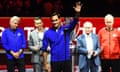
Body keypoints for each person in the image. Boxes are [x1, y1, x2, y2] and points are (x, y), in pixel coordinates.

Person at [42, 1, 81, 72]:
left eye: (56, 20)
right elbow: (44, 50)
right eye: (53, 21)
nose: (54, 22)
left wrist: (77, 13)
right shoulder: (47, 33)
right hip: (54, 61)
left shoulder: (66, 29)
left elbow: (74, 22)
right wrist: (45, 64)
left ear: (60, 20)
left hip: (66, 60)